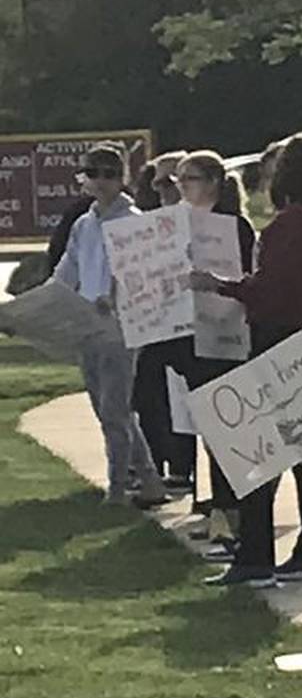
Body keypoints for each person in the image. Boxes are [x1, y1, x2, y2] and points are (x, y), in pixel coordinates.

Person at [193, 133, 302, 588]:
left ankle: (256, 558)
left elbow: (272, 290)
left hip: (282, 341)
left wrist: (222, 285)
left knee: (258, 455)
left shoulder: (293, 224)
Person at [49, 143, 167, 507]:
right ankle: (148, 479)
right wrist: (39, 304)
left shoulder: (133, 222)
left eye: (109, 174)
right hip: (87, 323)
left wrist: (117, 299)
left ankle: (117, 489)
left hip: (121, 328)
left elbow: (145, 275)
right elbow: (66, 271)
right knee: (107, 409)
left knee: (115, 408)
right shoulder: (84, 224)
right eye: (94, 172)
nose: (101, 181)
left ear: (122, 178)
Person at [174, 150, 257, 548]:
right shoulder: (177, 226)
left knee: (226, 428)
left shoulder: (234, 227)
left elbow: (244, 279)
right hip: (191, 335)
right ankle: (220, 513)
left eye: (188, 179)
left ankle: (235, 517)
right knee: (208, 428)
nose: (181, 187)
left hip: (226, 336)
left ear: (212, 183)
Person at [132, 148, 197, 493]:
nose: (165, 190)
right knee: (149, 392)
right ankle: (156, 463)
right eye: (158, 183)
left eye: (172, 181)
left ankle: (187, 469)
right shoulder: (148, 227)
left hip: (196, 325)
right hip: (157, 323)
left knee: (188, 397)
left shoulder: (202, 220)